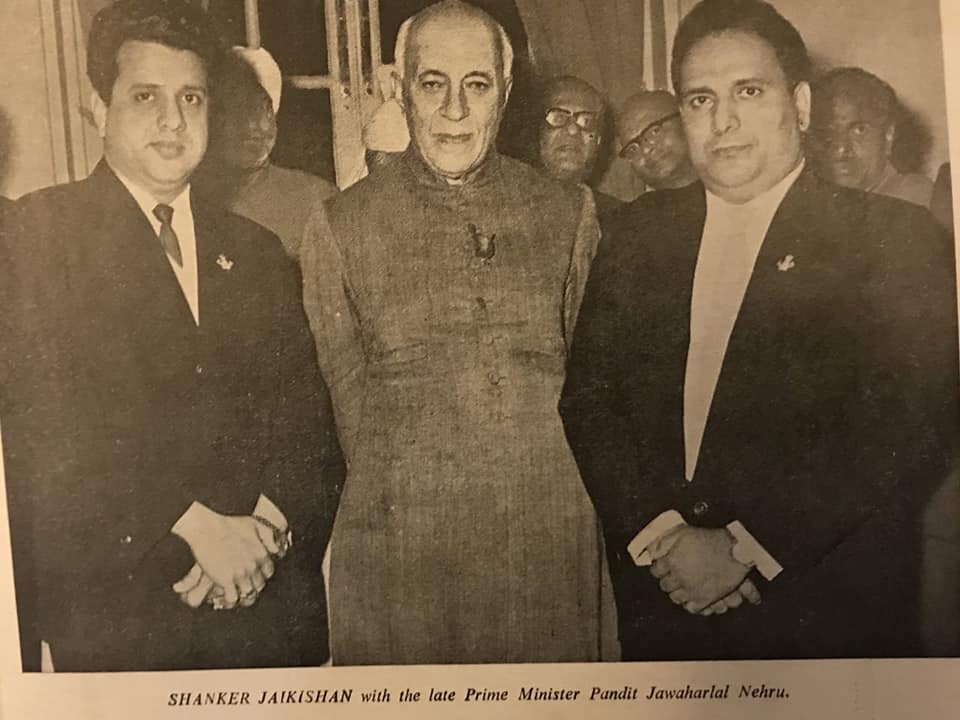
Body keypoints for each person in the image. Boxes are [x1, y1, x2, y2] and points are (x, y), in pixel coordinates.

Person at [560, 0, 958, 661]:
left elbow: (902, 421)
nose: (723, 121)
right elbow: (590, 399)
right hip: (665, 609)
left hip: (822, 610)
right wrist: (662, 534)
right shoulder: (635, 234)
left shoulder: (894, 237)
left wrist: (746, 546)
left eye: (748, 91)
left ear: (799, 106)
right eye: (700, 100)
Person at [0, 0, 344, 672]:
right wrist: (197, 527)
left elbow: (308, 419)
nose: (173, 120)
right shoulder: (37, 237)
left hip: (265, 613)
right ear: (97, 108)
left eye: (192, 97)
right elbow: (46, 428)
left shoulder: (258, 250)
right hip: (129, 617)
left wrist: (263, 534)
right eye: (145, 96)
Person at [300, 0, 614, 665]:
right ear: (400, 88)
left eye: (476, 84)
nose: (453, 110)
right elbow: (345, 399)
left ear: (506, 91)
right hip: (403, 546)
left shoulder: (568, 213)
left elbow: (594, 390)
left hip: (550, 539)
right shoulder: (340, 225)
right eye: (431, 82)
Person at [198, 46, 337, 259]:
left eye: (264, 109)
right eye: (236, 110)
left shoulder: (316, 197)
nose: (255, 125)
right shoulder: (187, 200)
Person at [810, 67, 934, 207]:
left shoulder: (912, 195)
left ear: (888, 135)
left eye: (859, 130)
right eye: (828, 132)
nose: (841, 150)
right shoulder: (822, 202)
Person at [537, 75, 621, 217]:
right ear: (539, 132)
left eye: (586, 121)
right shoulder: (507, 201)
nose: (573, 130)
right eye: (558, 117)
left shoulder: (618, 217)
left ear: (598, 140)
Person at [616, 89, 697, 193]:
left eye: (654, 131)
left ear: (684, 118)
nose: (645, 150)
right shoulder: (642, 204)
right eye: (632, 149)